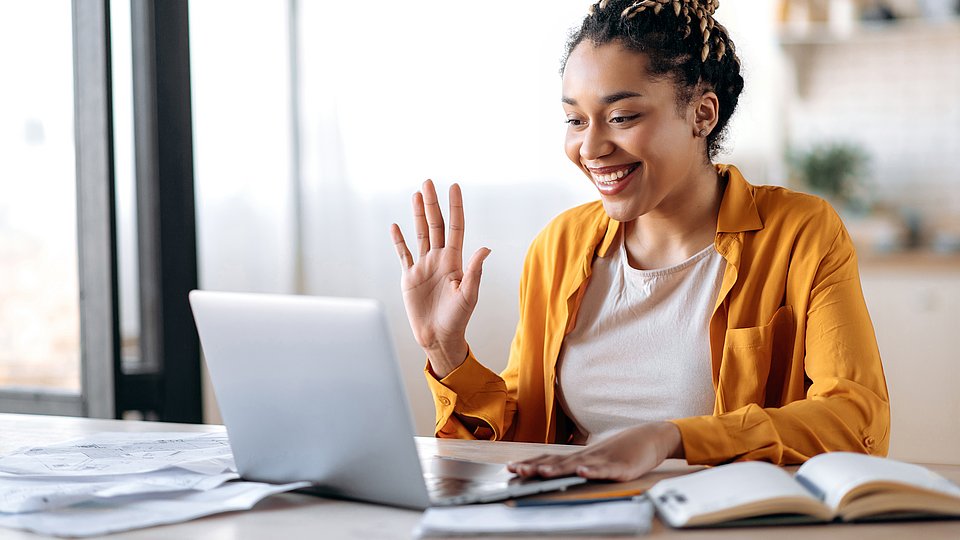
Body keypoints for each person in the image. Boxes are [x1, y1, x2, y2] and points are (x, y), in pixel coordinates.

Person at [389, 0, 889, 482]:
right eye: (575, 120)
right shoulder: (559, 247)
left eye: (622, 117)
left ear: (703, 114)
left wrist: (670, 438)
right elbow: (523, 441)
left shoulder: (800, 233)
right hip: (580, 519)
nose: (590, 148)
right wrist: (446, 350)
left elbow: (855, 420)